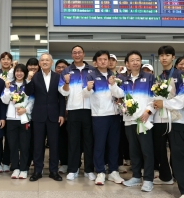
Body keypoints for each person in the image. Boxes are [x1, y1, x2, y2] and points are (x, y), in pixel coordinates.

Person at [152, 46, 184, 198]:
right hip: (159, 119)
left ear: (173, 57)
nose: (164, 58)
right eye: (161, 55)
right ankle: (166, 177)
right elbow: (154, 98)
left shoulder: (181, 76)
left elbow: (182, 99)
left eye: (167, 55)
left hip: (176, 120)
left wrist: (164, 104)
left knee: (179, 154)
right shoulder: (158, 77)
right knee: (159, 152)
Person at [113, 50, 155, 192]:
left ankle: (148, 179)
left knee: (147, 151)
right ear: (127, 64)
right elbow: (119, 95)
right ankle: (136, 176)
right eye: (132, 60)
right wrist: (113, 85)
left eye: (138, 59)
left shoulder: (149, 78)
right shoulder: (123, 80)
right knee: (134, 150)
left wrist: (148, 112)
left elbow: (155, 98)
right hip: (129, 120)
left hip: (144, 120)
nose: (136, 62)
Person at [83, 50, 125, 185]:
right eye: (100, 59)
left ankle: (113, 171)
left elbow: (121, 94)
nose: (103, 61)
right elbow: (85, 95)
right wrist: (88, 89)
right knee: (99, 145)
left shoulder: (114, 76)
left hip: (114, 115)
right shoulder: (91, 75)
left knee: (114, 144)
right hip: (99, 115)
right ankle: (100, 171)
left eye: (105, 59)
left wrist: (114, 87)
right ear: (95, 62)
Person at [25, 53, 65, 182]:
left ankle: (53, 171)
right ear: (39, 63)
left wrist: (61, 114)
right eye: (42, 60)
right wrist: (29, 79)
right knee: (38, 145)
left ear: (51, 62)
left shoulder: (58, 77)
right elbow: (28, 92)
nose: (45, 62)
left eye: (47, 60)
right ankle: (37, 171)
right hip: (38, 115)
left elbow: (61, 98)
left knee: (54, 144)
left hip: (54, 115)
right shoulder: (34, 77)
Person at [58, 45, 95, 181]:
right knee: (73, 141)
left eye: (79, 52)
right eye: (74, 52)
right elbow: (63, 91)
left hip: (90, 110)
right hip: (73, 109)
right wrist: (67, 82)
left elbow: (96, 88)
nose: (77, 54)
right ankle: (73, 169)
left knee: (88, 141)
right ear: (72, 55)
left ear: (83, 54)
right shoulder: (67, 70)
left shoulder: (92, 70)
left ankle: (89, 169)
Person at [1, 64, 34, 179]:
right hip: (11, 119)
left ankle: (24, 169)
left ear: (25, 73)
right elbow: (4, 101)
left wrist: (26, 110)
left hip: (24, 119)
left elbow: (32, 100)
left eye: (21, 71)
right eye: (17, 71)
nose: (19, 73)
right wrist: (6, 89)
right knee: (12, 145)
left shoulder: (28, 85)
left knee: (25, 145)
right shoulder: (9, 85)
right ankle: (15, 167)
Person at [0, 52, 12, 173]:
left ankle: (6, 162)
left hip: (11, 108)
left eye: (8, 59)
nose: (6, 61)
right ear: (0, 61)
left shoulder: (15, 73)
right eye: (3, 59)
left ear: (11, 61)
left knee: (10, 138)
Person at [54, 59, 69, 174]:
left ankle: (74, 163)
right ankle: (63, 163)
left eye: (63, 67)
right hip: (58, 116)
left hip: (72, 115)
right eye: (58, 67)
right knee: (61, 140)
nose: (60, 69)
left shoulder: (72, 81)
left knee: (72, 141)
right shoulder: (53, 81)